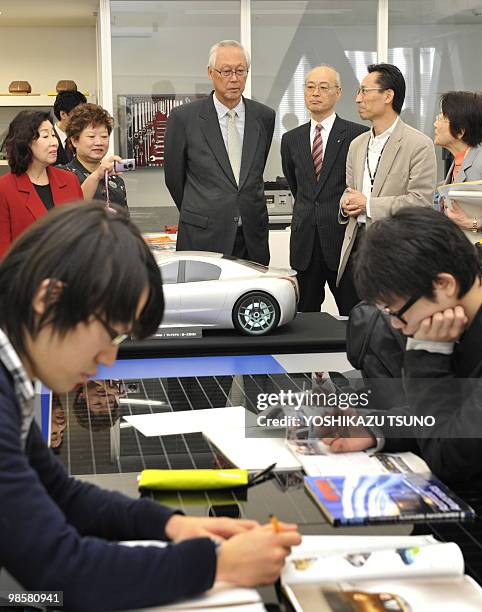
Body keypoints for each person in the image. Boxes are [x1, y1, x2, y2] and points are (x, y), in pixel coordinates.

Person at [0, 201, 301, 611]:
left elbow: (60, 493)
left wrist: (171, 525)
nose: (108, 359)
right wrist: (215, 564)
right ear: (49, 298)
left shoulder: (13, 374)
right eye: (109, 333)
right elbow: (62, 573)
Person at [325, 207, 482, 490]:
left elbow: (449, 457)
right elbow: (455, 411)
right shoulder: (469, 308)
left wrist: (425, 355)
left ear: (443, 284)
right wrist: (375, 427)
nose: (397, 325)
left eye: (396, 311)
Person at [164, 40, 275, 265]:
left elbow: (253, 173)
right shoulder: (184, 118)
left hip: (251, 235)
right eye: (226, 71)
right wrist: (204, 209)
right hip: (202, 235)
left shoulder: (264, 116)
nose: (234, 78)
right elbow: (174, 178)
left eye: (241, 71)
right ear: (210, 73)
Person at [337, 63, 437, 287]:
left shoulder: (418, 144)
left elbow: (420, 203)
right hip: (355, 245)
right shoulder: (357, 145)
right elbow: (350, 190)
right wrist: (346, 204)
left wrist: (368, 206)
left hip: (396, 249)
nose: (357, 99)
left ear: (388, 95)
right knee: (353, 317)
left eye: (364, 90)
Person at [281, 65, 368, 314]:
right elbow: (297, 186)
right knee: (304, 316)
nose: (315, 93)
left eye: (323, 87)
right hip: (304, 241)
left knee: (354, 312)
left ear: (338, 93)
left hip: (343, 241)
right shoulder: (291, 139)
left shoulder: (357, 135)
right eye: (310, 87)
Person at [0, 110, 83, 258]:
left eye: (53, 135)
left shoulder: (70, 180)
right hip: (26, 277)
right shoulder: (5, 188)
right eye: (45, 136)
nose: (54, 142)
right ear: (25, 142)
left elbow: (83, 236)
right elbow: (3, 252)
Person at [434, 91, 482, 236]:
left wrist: (474, 224)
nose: (435, 124)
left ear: (461, 131)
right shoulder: (457, 161)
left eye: (442, 118)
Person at [64, 103, 128, 211]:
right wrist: (97, 175)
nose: (99, 142)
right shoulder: (63, 175)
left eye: (104, 136)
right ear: (74, 140)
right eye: (91, 136)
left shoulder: (116, 180)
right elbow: (71, 212)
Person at [53, 90, 87, 165]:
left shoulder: (83, 137)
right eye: (78, 115)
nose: (82, 119)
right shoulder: (47, 139)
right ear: (63, 114)